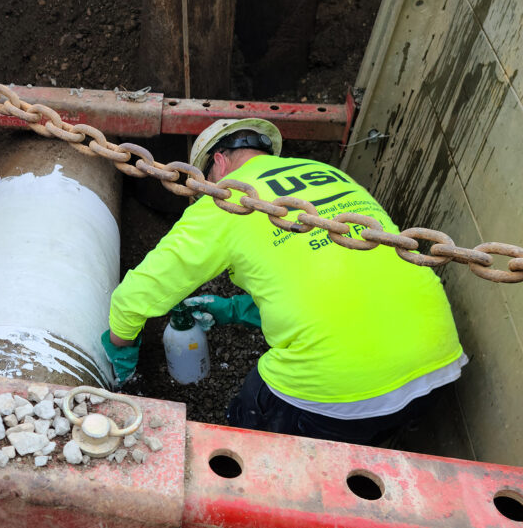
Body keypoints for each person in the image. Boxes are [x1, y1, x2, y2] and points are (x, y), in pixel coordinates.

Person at [101, 118, 465, 447]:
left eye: (204, 184)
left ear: (219, 163)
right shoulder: (328, 173)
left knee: (249, 412)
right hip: (438, 367)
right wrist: (235, 309)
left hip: (341, 395)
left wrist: (122, 349)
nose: (204, 194)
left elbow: (134, 296)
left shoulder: (224, 202)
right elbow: (326, 275)